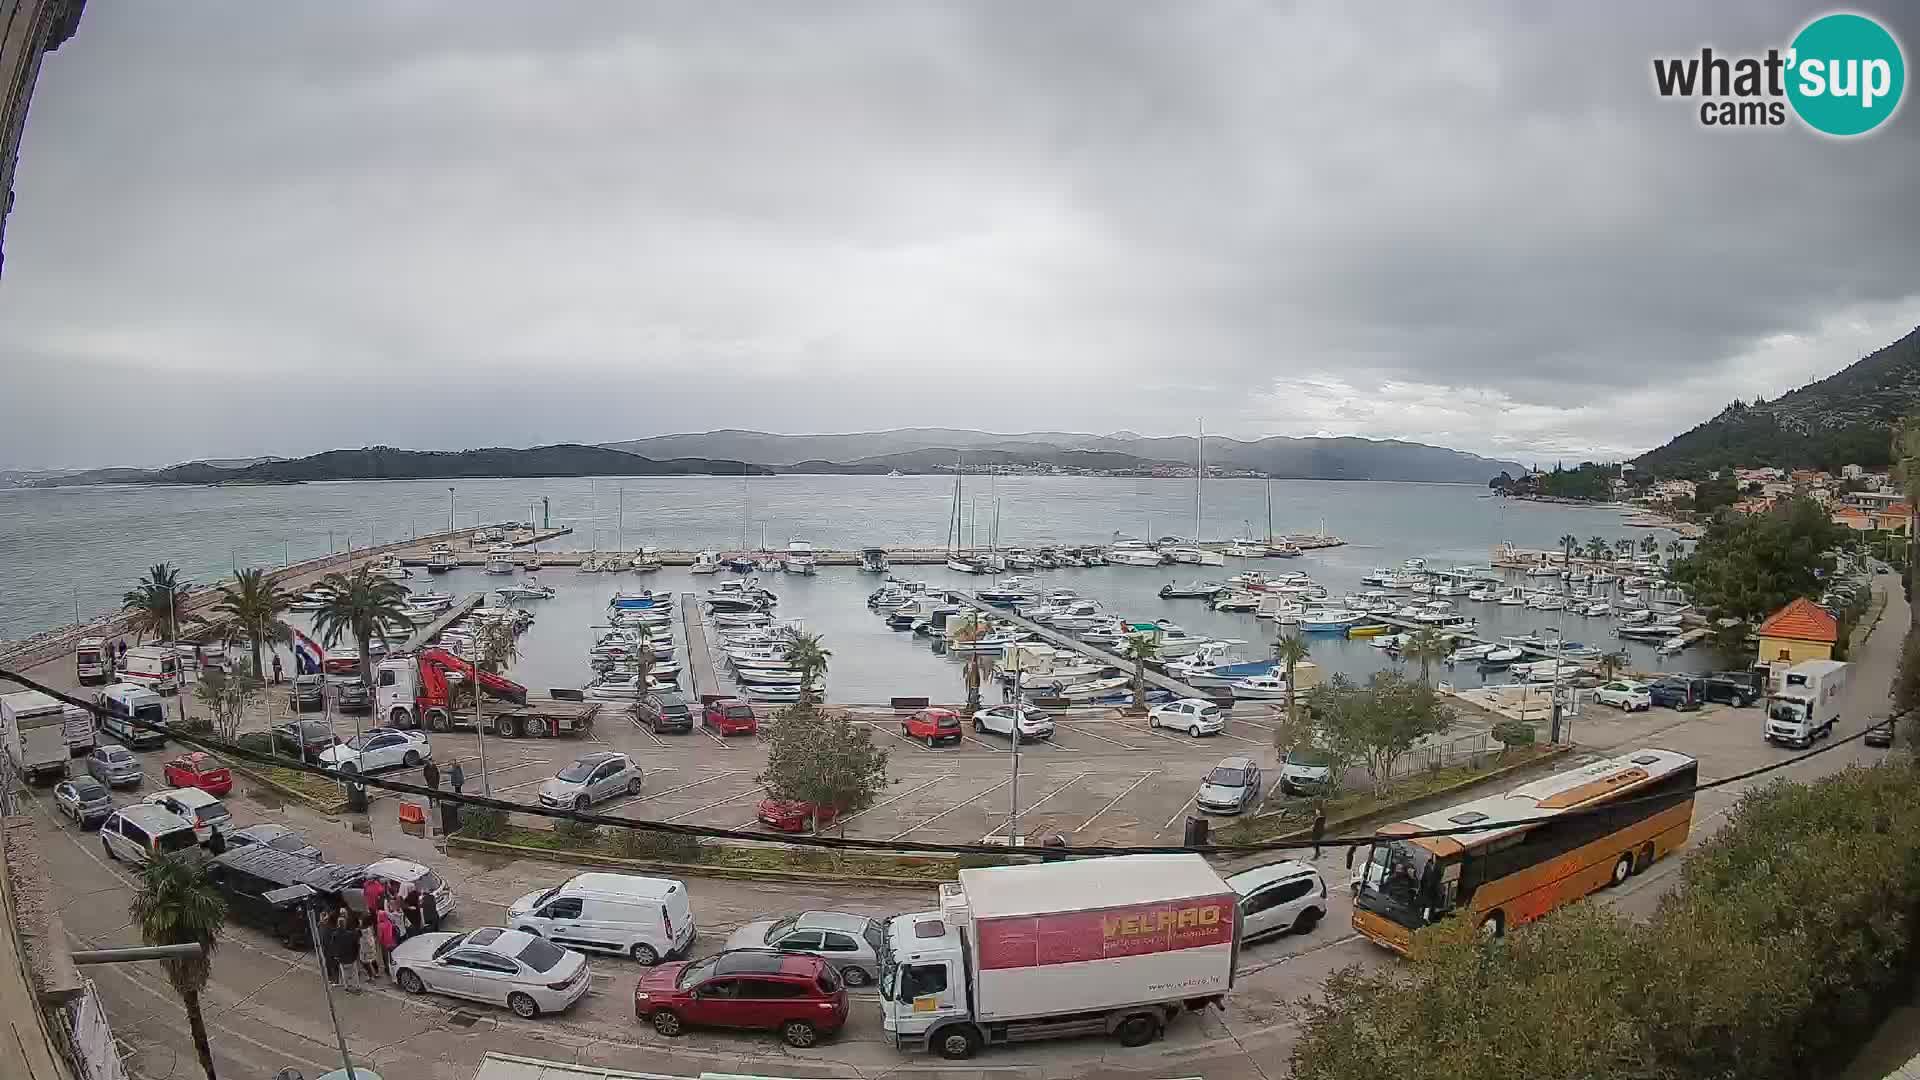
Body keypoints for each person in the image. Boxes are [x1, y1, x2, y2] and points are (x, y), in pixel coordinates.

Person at [331, 912, 362, 993]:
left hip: (341, 958)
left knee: (344, 973)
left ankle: (346, 986)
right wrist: (356, 955)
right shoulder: (350, 934)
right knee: (354, 973)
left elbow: (333, 946)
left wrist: (336, 955)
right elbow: (356, 944)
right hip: (351, 958)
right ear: (344, 924)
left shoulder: (335, 935)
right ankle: (357, 986)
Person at [317, 910, 340, 985]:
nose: (322, 919)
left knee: (333, 964)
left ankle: (335, 980)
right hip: (326, 948)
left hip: (330, 948)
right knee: (328, 964)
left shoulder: (329, 927)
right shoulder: (321, 925)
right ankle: (331, 978)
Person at [375, 906, 398, 977]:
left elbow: (380, 936)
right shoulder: (389, 922)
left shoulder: (380, 925)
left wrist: (377, 942)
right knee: (392, 956)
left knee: (385, 958)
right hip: (391, 942)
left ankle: (387, 970)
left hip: (384, 944)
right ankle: (394, 968)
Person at [360, 912, 382, 980]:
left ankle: (370, 975)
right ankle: (377, 972)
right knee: (373, 959)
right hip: (371, 946)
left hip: (364, 948)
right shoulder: (370, 928)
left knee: (364, 962)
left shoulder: (360, 930)